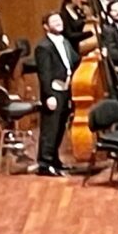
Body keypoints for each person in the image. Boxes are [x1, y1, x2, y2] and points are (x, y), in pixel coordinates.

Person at [33, 10, 81, 177]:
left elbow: (74, 60)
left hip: (66, 89)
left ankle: (54, 160)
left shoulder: (65, 41)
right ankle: (44, 164)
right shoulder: (43, 47)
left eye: (59, 20)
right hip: (54, 91)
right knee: (50, 129)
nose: (58, 23)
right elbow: (44, 74)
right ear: (46, 27)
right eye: (54, 21)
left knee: (60, 127)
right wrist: (48, 96)